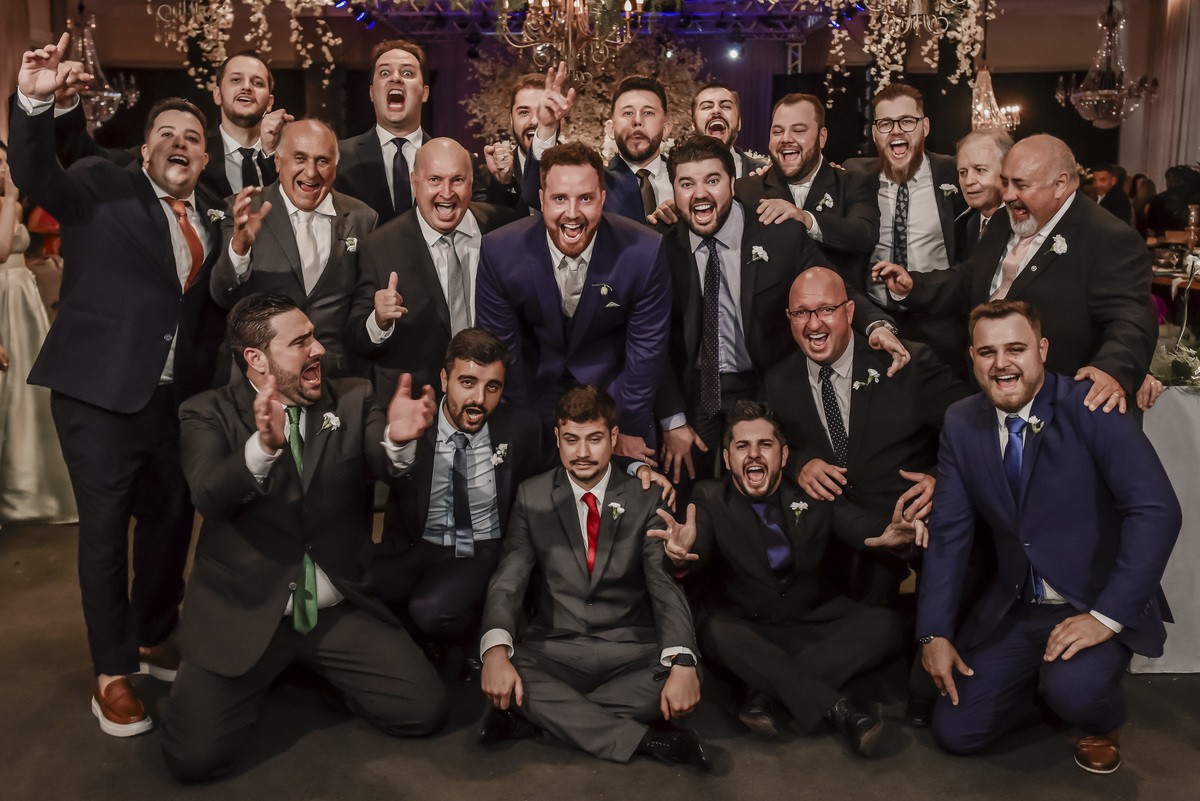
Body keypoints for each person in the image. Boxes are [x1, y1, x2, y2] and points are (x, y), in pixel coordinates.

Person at [12, 35, 230, 735]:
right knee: (105, 536)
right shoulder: (99, 185)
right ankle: (112, 672)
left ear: (205, 157)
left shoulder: (218, 213)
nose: (178, 142)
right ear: (143, 149)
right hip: (99, 396)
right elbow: (37, 172)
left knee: (170, 525)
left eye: (192, 137)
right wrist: (35, 102)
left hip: (176, 402)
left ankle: (153, 632)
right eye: (165, 132)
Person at [162, 293, 447, 782]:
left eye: (314, 336)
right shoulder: (205, 411)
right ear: (256, 359)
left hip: (335, 606)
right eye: (300, 342)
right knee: (194, 760)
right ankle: (274, 668)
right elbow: (210, 495)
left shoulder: (353, 396)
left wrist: (398, 443)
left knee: (423, 712)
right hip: (245, 610)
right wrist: (261, 449)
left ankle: (304, 668)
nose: (318, 349)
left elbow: (388, 465)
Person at [917, 299, 1180, 773]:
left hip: (1092, 599)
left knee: (1076, 690)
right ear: (972, 357)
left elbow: (1157, 511)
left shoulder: (1092, 403)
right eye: (987, 352)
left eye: (1015, 349)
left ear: (1041, 350)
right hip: (1018, 604)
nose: (1001, 364)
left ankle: (1100, 719)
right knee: (956, 731)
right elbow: (950, 533)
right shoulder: (961, 421)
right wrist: (934, 631)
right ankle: (1050, 693)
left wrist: (1105, 618)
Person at [654, 135, 906, 506]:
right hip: (696, 393)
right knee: (692, 498)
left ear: (733, 183)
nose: (700, 194)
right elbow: (651, 340)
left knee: (781, 500)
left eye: (712, 180)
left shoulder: (779, 233)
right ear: (673, 189)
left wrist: (876, 325)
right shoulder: (661, 248)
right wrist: (672, 420)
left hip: (767, 385)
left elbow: (832, 285)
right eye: (686, 184)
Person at [652, 400, 912, 753]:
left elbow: (857, 526)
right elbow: (694, 550)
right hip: (746, 628)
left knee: (886, 625)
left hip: (814, 625)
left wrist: (892, 533)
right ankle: (842, 709)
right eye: (742, 446)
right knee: (713, 630)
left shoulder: (812, 493)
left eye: (765, 444)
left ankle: (760, 689)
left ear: (784, 455)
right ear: (727, 459)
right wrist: (679, 556)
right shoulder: (709, 497)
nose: (753, 454)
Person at [478, 385, 706, 768]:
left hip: (629, 648)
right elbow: (509, 578)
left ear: (614, 438)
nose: (582, 452)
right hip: (556, 649)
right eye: (571, 440)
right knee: (507, 666)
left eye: (594, 439)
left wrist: (682, 661)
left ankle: (541, 717)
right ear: (558, 439)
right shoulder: (532, 495)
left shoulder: (645, 496)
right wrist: (496, 652)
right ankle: (647, 740)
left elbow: (663, 585)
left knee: (685, 671)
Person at [875, 134, 1157, 408]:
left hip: (1059, 399)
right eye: (1006, 182)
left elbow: (1131, 320)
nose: (1008, 195)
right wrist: (914, 286)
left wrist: (1111, 369)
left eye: (1021, 185)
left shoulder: (1108, 237)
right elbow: (969, 278)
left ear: (1060, 184)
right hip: (987, 388)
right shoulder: (1003, 220)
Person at [764, 267, 969, 604]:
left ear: (849, 311)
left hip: (922, 531)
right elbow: (773, 447)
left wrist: (940, 478)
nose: (813, 324)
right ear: (789, 317)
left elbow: (973, 427)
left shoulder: (907, 364)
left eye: (826, 309)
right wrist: (798, 464)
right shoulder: (779, 382)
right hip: (838, 542)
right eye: (801, 313)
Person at [475, 140, 671, 462]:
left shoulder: (644, 252)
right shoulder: (500, 251)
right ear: (541, 200)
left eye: (585, 198)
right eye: (560, 198)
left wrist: (625, 425)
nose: (572, 213)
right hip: (531, 393)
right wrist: (522, 426)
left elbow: (647, 350)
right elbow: (500, 350)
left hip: (615, 394)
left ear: (602, 199)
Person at [370, 328, 546, 651]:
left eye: (492, 386)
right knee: (363, 594)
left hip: (477, 547)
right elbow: (386, 471)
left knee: (429, 611)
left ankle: (473, 640)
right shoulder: (415, 421)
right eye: (467, 382)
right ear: (444, 379)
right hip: (414, 543)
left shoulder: (523, 428)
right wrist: (399, 442)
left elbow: (568, 464)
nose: (479, 398)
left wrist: (636, 467)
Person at [345, 137, 517, 409]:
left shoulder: (504, 226)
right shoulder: (379, 247)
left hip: (500, 401)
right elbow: (357, 339)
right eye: (434, 180)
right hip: (420, 406)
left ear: (471, 182)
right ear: (414, 183)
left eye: (457, 180)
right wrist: (378, 321)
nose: (446, 193)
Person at [210, 118, 377, 379]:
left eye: (322, 161)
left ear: (335, 167)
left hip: (332, 379)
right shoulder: (241, 209)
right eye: (300, 158)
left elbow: (362, 307)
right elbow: (221, 295)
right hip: (258, 377)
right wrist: (239, 248)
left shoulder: (363, 218)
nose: (311, 172)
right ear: (278, 161)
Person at [845, 83, 968, 373]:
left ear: (925, 127)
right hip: (878, 321)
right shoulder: (852, 175)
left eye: (907, 121)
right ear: (874, 132)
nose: (896, 131)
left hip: (940, 321)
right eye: (886, 123)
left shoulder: (955, 172)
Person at [52, 49, 287, 200]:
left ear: (270, 102)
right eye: (236, 80)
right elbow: (89, 162)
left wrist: (272, 152)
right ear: (217, 95)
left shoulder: (289, 152)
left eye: (257, 83)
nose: (246, 87)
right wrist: (63, 105)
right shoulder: (185, 148)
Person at [0, 140, 76, 524]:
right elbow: (1, 250)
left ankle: (35, 489)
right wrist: (12, 197)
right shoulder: (10, 204)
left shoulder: (13, 205)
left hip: (22, 297)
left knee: (30, 391)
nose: (3, 168)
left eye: (5, 162)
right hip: (2, 295)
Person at [521, 65, 673, 223]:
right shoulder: (593, 179)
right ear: (611, 129)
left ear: (665, 129)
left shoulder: (682, 178)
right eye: (628, 113)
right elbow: (535, 193)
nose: (637, 121)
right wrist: (547, 128)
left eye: (648, 112)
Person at [334, 40, 431, 224]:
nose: (395, 78)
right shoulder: (338, 157)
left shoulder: (454, 160)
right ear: (371, 93)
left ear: (424, 93)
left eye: (407, 73)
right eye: (385, 72)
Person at [479, 73, 549, 216]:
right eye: (524, 112)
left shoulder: (583, 170)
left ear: (561, 119)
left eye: (544, 111)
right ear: (511, 120)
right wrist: (503, 183)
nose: (534, 121)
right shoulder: (485, 178)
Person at [690, 82, 767, 179]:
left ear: (739, 123)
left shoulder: (763, 175)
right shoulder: (676, 171)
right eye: (707, 107)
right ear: (693, 124)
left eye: (726, 106)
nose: (716, 110)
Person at [955, 128, 1011, 260]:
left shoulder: (1024, 224)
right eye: (963, 172)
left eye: (980, 170)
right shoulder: (962, 225)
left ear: (1007, 170)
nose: (968, 181)